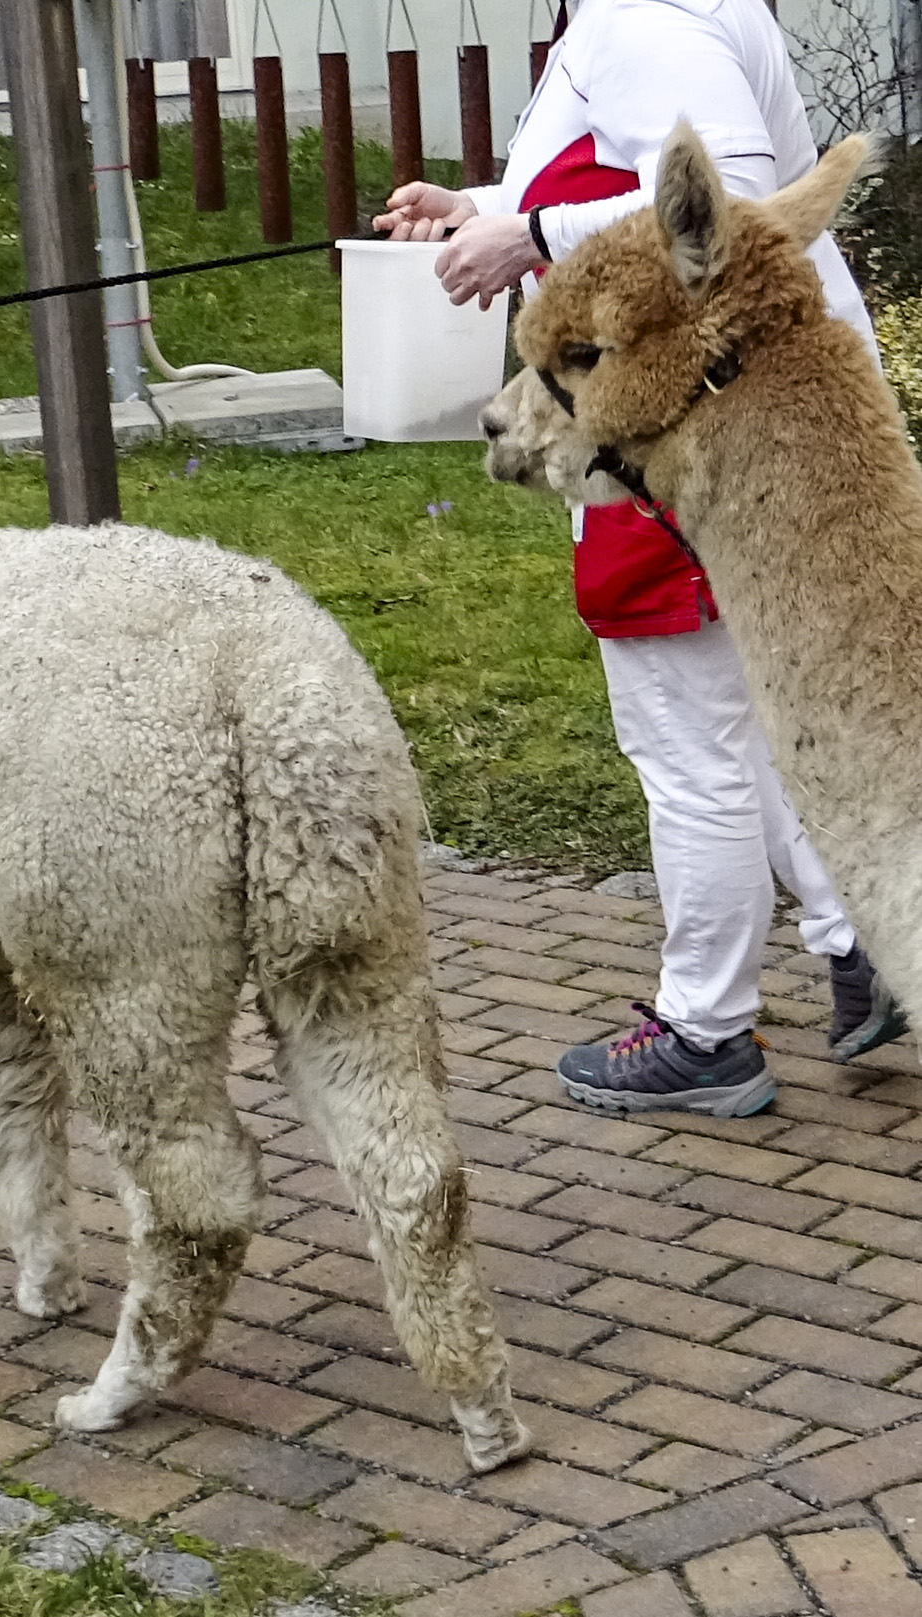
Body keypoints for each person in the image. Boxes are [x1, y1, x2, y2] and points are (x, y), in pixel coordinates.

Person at [372, 0, 907, 1117]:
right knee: (776, 714)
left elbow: (733, 205)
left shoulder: (635, 17)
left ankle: (705, 1025)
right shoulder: (674, 9)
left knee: (684, 739)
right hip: (730, 424)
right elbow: (632, 182)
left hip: (679, 416)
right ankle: (858, 934)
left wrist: (532, 241)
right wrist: (480, 208)